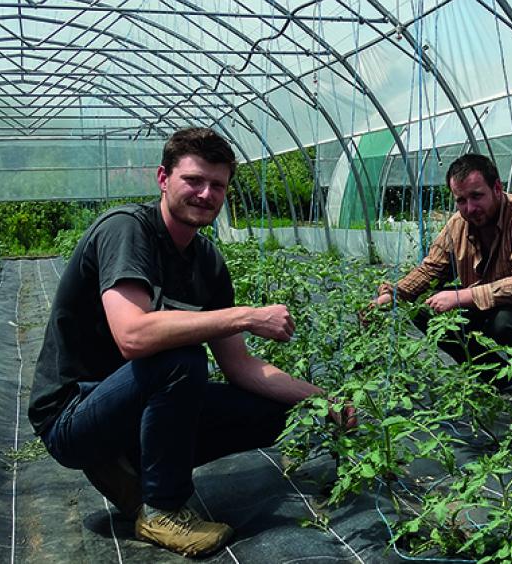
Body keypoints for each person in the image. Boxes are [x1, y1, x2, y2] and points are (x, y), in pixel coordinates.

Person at [28, 128, 354, 558]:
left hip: (131, 403)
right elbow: (133, 335)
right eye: (194, 180)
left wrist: (323, 401)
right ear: (163, 178)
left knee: (273, 413)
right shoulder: (127, 230)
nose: (205, 194)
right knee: (180, 357)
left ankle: (133, 466)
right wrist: (247, 315)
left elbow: (240, 367)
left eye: (217, 185)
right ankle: (162, 507)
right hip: (73, 415)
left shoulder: (207, 262)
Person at [370, 153, 512, 396]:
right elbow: (431, 268)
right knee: (425, 312)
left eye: (476, 196)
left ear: (496, 188)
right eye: (461, 200)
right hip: (496, 300)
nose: (469, 208)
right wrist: (393, 295)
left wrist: (460, 296)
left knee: (505, 323)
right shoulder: (457, 225)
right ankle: (498, 377)